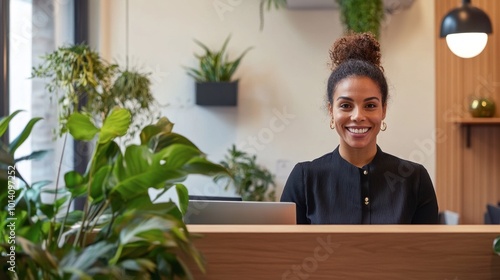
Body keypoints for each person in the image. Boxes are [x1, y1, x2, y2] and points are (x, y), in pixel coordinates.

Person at [280, 32, 439, 224]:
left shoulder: (414, 178)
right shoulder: (305, 178)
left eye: (370, 105)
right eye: (346, 105)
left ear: (384, 110)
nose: (358, 116)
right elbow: (286, 250)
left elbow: (427, 251)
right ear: (331, 111)